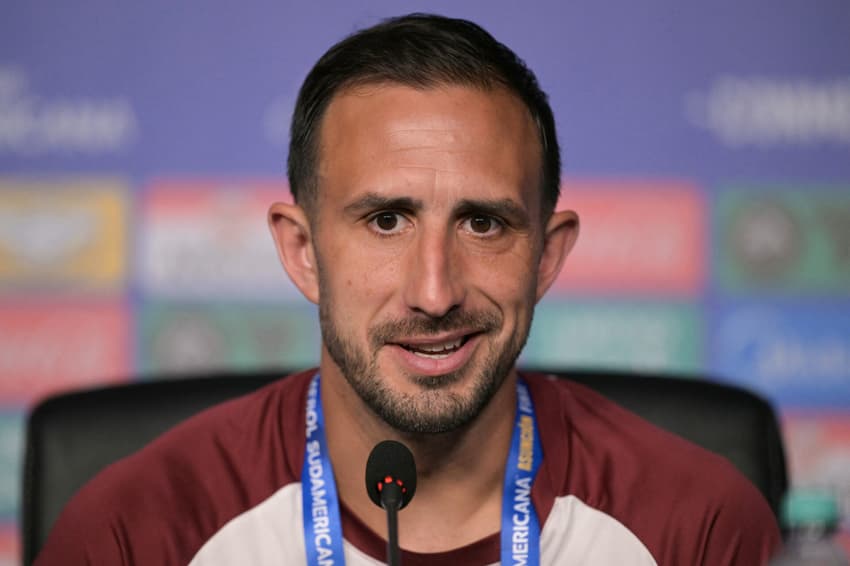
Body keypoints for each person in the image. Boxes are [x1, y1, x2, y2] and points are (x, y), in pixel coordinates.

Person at [35, 13, 781, 565]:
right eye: (386, 220)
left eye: (483, 224)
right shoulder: (135, 533)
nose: (434, 292)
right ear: (302, 251)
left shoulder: (699, 529)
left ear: (547, 257)